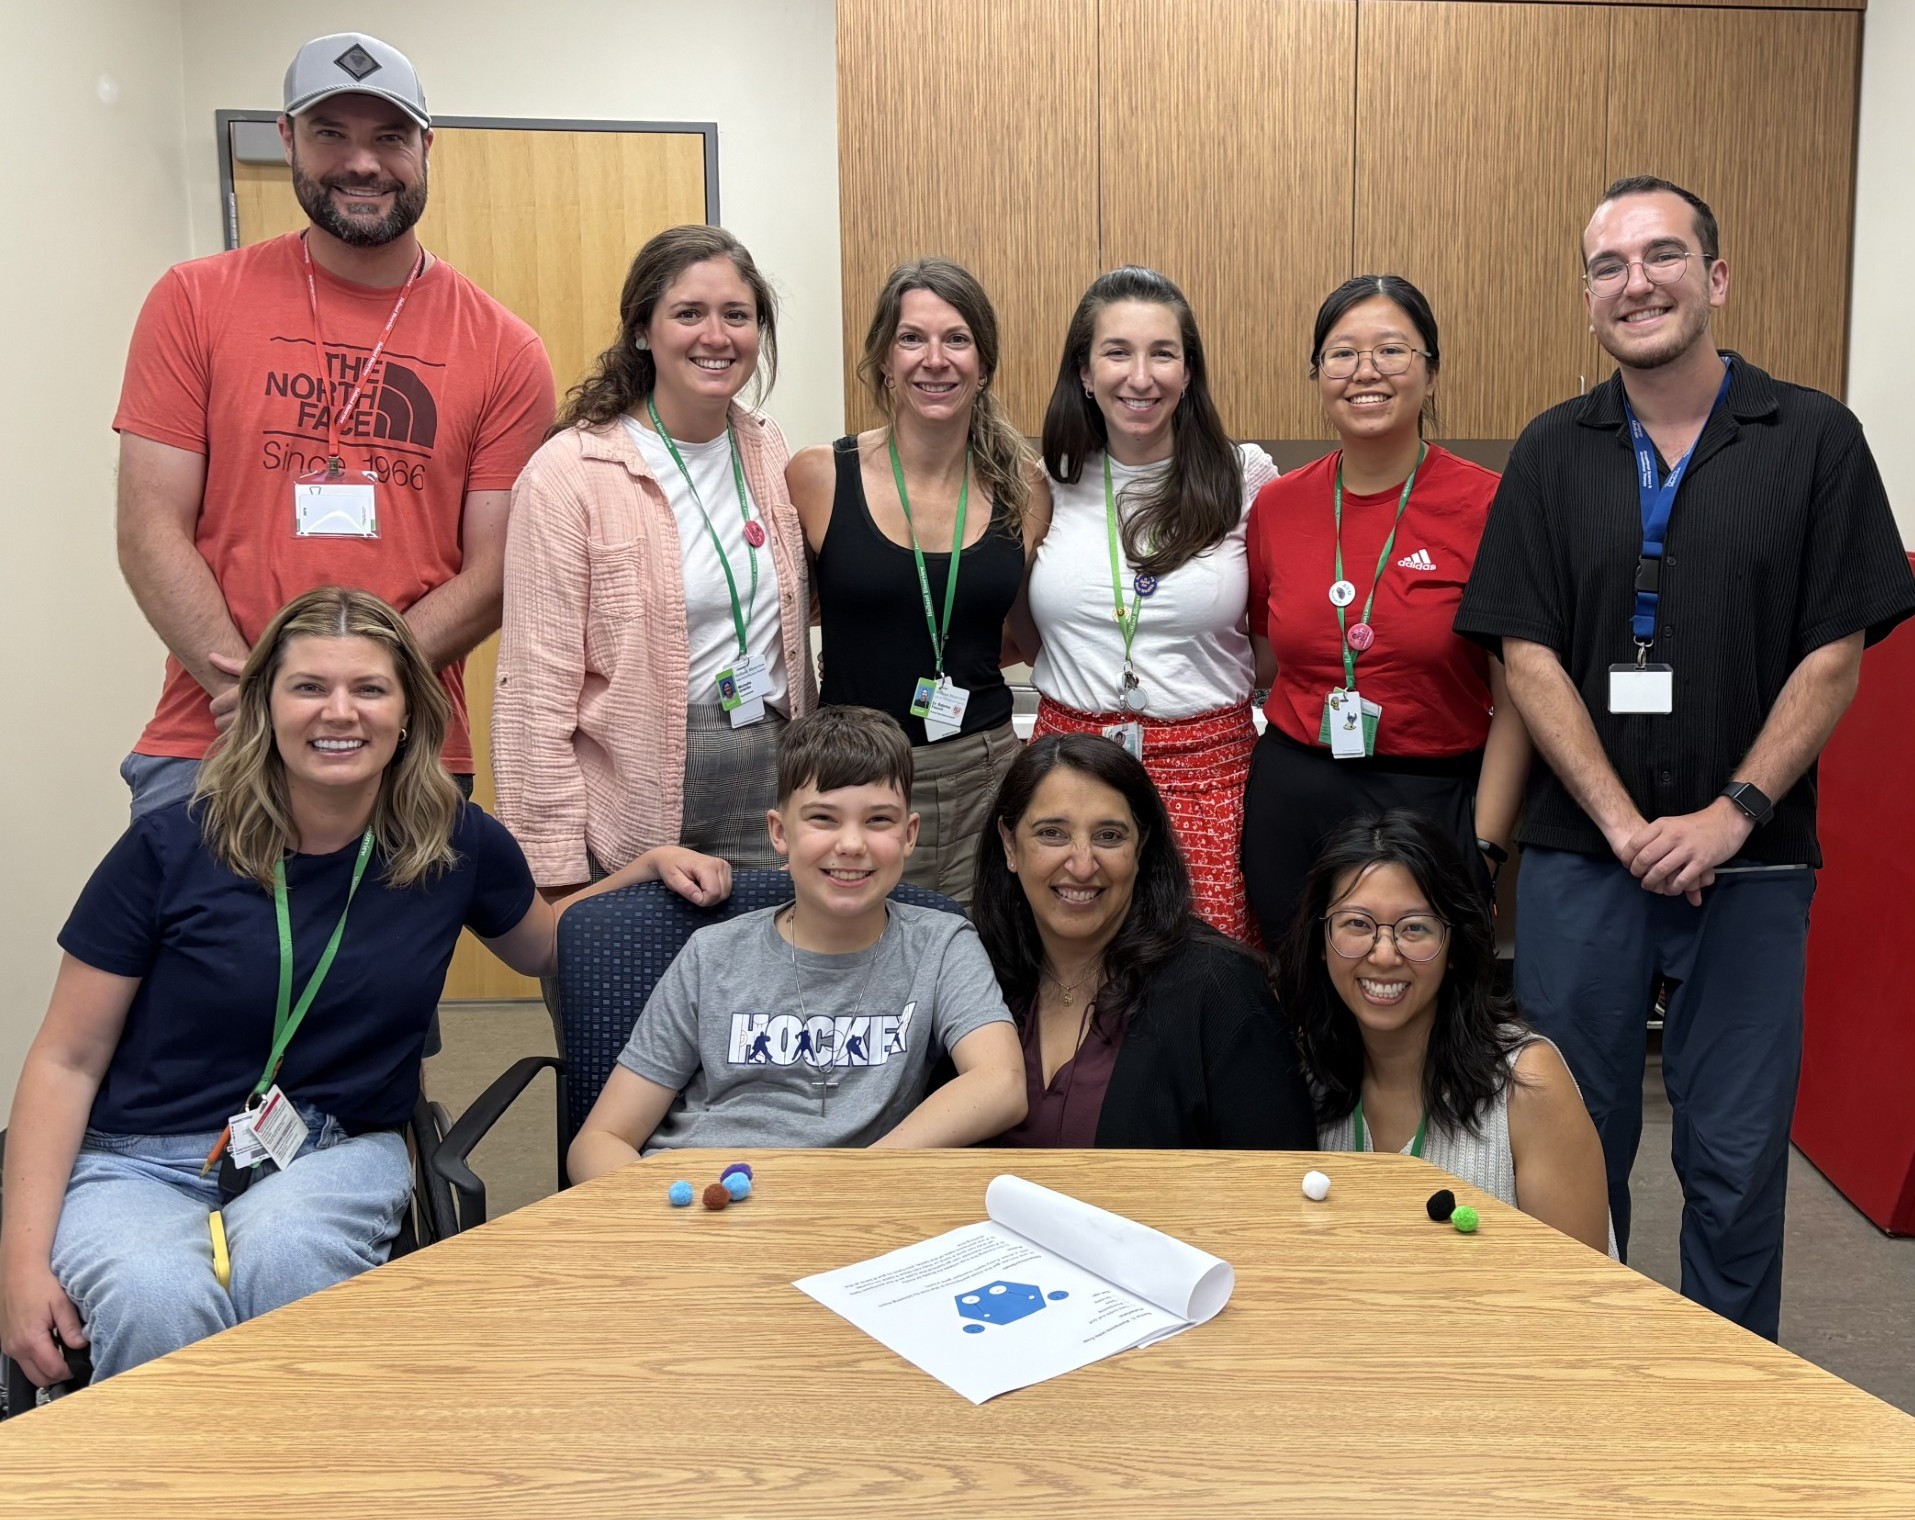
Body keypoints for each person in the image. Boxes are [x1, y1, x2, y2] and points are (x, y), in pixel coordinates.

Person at [0, 588, 726, 1387]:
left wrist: (640, 869)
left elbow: (547, 946)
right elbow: (65, 1060)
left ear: (409, 710)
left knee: (291, 1271)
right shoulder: (170, 845)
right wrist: (19, 1266)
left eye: (368, 689)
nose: (338, 713)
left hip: (332, 1146)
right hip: (137, 1160)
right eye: (308, 686)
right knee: (157, 1299)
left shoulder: (454, 840)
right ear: (264, 707)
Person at [1455, 176, 1915, 1337]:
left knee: (1735, 1162)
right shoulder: (1551, 453)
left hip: (1752, 868)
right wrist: (1620, 822)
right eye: (1607, 265)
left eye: (1661, 256)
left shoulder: (1812, 438)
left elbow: (1832, 652)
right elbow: (1527, 654)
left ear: (1714, 279)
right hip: (1581, 862)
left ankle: (1727, 1416)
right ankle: (1587, 1394)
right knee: (1568, 1149)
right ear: (1588, 300)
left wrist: (1729, 812)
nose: (1635, 282)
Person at [113, 31, 554, 818]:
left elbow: (496, 573)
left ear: (426, 145)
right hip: (209, 741)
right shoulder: (193, 301)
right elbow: (150, 528)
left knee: (387, 948)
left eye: (388, 137)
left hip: (404, 749)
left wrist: (349, 699)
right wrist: (253, 698)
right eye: (330, 134)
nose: (362, 163)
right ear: (286, 138)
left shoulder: (504, 347)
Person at [567, 707, 1027, 1176]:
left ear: (910, 835)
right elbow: (601, 1140)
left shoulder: (942, 943)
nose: (851, 844)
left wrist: (854, 1179)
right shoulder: (712, 955)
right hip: (700, 1195)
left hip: (847, 1205)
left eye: (878, 820)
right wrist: (664, 1222)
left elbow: (1001, 1083)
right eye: (823, 818)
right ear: (779, 833)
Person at [494, 225, 814, 896]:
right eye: (688, 313)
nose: (716, 336)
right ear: (643, 330)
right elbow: (534, 694)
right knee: (633, 996)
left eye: (737, 315)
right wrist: (552, 878)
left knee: (755, 994)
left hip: (767, 787)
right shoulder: (570, 472)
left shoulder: (768, 451)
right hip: (631, 806)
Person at [1241, 276, 1528, 945]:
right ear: (1317, 376)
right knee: (1295, 1007)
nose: (1364, 372)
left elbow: (1516, 702)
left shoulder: (1490, 507)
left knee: (1411, 1014)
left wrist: (1484, 847)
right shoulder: (1277, 506)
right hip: (1293, 797)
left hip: (1429, 799)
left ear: (1430, 372)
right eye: (1341, 355)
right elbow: (1263, 656)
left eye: (1391, 351)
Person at [1021, 267, 1277, 942]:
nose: (1141, 376)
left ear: (1188, 371)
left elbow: (1280, 633)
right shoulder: (1046, 480)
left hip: (1208, 778)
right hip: (1069, 776)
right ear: (1083, 370)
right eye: (1116, 352)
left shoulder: (1242, 476)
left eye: (1162, 353)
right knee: (1078, 975)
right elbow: (1012, 628)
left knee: (1205, 987)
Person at [788, 259, 1047, 907]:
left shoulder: (1025, 489)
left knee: (974, 963)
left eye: (956, 339)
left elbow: (1024, 635)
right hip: (851, 780)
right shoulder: (818, 477)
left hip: (981, 773)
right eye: (911, 339)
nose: (935, 359)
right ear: (883, 358)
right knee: (857, 971)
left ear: (983, 363)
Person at [1278, 811, 1611, 1253]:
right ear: (1321, 941)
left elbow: (1583, 1295)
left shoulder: (1527, 1085)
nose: (1383, 954)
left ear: (1454, 947)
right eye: (1357, 924)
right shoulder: (1301, 1076)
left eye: (1414, 928)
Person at [972, 734, 1317, 1149]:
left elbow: (1278, 1181)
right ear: (1010, 844)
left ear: (1142, 846)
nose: (1082, 864)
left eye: (1109, 836)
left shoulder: (1222, 988)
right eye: (1052, 833)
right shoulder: (972, 974)